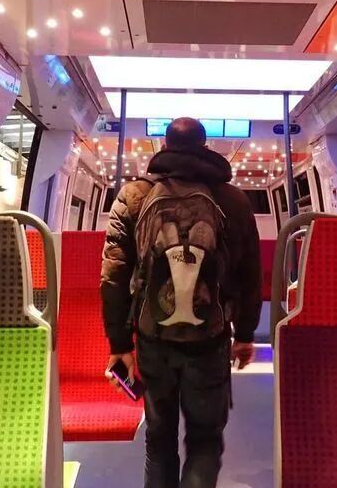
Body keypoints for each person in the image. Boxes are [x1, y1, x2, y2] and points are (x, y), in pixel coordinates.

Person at [100, 117, 262, 488]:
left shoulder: (134, 196)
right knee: (204, 440)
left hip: (153, 338)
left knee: (159, 441)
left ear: (164, 145)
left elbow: (113, 276)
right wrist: (244, 334)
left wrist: (119, 345)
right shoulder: (234, 200)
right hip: (209, 339)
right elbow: (250, 275)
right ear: (205, 147)